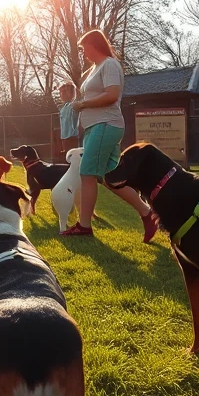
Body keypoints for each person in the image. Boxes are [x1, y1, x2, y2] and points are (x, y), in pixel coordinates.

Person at [62, 29, 158, 243]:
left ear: (94, 45)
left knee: (87, 172)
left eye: (84, 47)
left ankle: (84, 226)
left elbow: (112, 94)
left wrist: (83, 104)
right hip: (95, 127)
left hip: (105, 125)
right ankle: (147, 213)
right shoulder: (95, 68)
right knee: (110, 178)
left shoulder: (110, 65)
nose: (83, 52)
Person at [58, 82, 79, 160]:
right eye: (60, 92)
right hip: (64, 136)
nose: (61, 94)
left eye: (64, 92)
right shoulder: (64, 107)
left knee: (73, 159)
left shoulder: (73, 105)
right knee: (66, 158)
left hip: (72, 136)